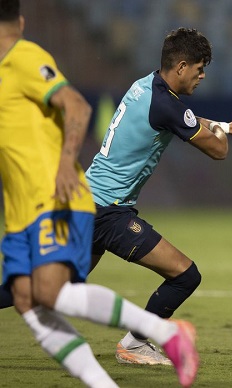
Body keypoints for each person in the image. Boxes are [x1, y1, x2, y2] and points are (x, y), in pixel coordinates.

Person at [0, 1, 198, 387]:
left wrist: (63, 165)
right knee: (30, 295)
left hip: (65, 199)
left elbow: (75, 106)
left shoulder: (23, 57)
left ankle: (158, 335)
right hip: (31, 203)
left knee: (46, 293)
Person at [84, 27, 232, 365]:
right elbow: (218, 151)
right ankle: (135, 343)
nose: (203, 75)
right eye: (199, 68)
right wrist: (224, 133)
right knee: (185, 275)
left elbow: (184, 117)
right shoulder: (165, 104)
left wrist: (225, 124)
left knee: (47, 286)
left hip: (87, 202)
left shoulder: (145, 86)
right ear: (180, 67)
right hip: (109, 211)